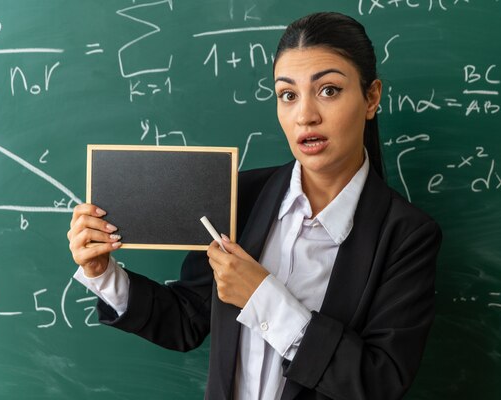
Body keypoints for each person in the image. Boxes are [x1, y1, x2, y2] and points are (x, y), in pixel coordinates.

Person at [67, 11, 442, 400]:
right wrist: (102, 272)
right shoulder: (239, 197)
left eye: (328, 90)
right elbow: (185, 320)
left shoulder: (407, 236)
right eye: (288, 95)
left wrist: (262, 296)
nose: (305, 115)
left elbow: (378, 382)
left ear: (371, 98)